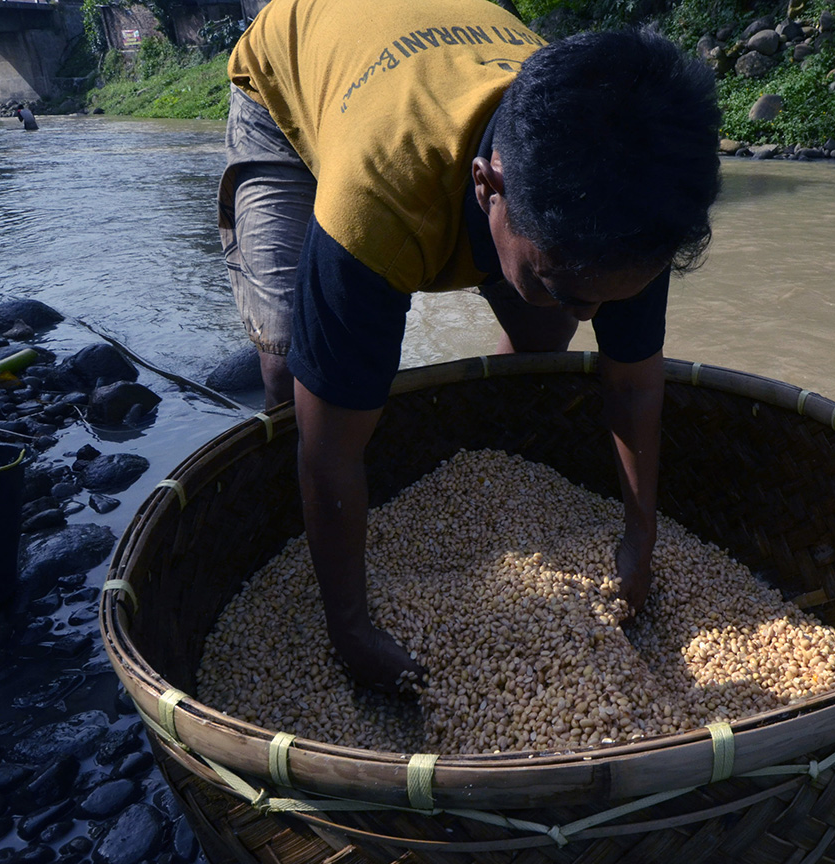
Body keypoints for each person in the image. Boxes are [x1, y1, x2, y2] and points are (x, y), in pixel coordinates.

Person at [219, 0, 721, 691]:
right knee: (291, 380)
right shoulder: (379, 202)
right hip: (292, 88)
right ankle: (312, 565)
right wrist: (351, 629)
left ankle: (494, 462)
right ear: (488, 188)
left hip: (434, 53)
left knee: (544, 336)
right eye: (570, 286)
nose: (595, 313)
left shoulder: (627, 198)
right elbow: (330, 451)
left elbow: (632, 382)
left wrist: (640, 537)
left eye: (611, 294)